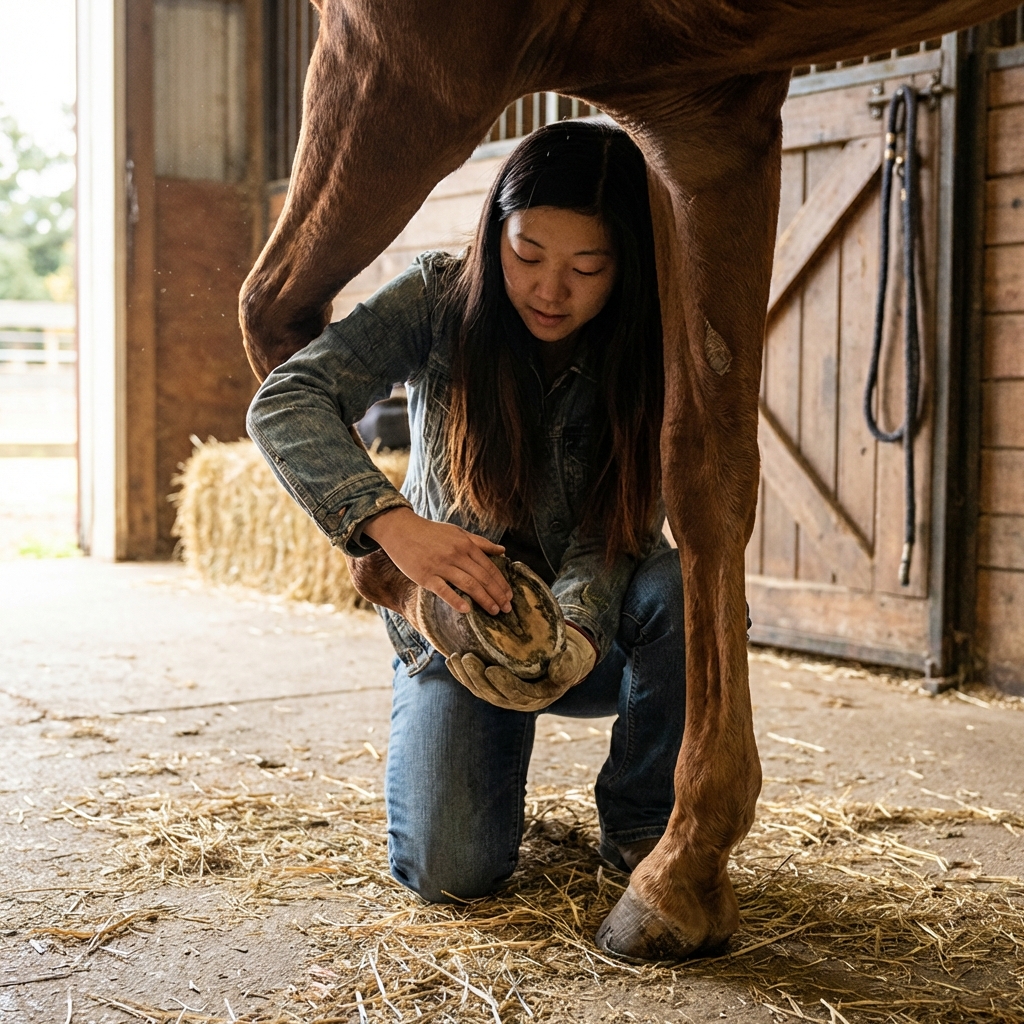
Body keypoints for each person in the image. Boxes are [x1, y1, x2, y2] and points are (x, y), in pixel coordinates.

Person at [247, 121, 686, 903]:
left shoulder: (649, 340)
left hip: (593, 635)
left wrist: (572, 635)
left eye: (587, 268)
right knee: (451, 877)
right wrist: (395, 527)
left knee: (686, 590)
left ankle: (642, 821)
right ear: (494, 234)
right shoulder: (438, 295)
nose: (551, 291)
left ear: (625, 266)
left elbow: (614, 531)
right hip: (457, 629)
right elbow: (286, 401)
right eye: (527, 255)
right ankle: (433, 639)